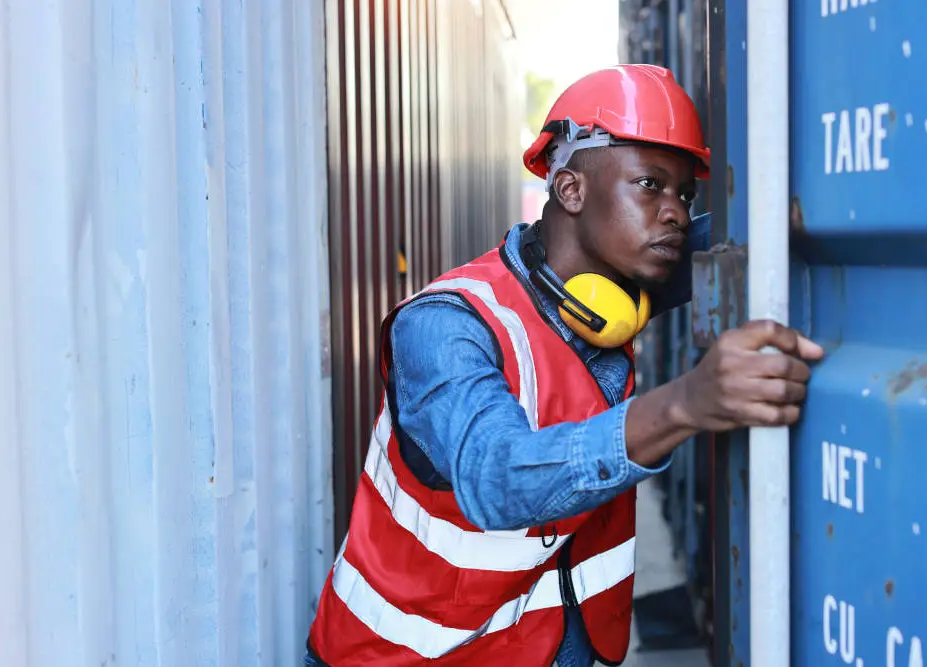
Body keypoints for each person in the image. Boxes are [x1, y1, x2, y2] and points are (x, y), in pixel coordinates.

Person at [304, 65, 823, 667]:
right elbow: (495, 478)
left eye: (684, 194)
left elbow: (732, 238)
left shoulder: (610, 293)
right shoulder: (446, 326)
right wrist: (683, 404)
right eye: (650, 184)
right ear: (571, 189)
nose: (675, 212)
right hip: (406, 656)